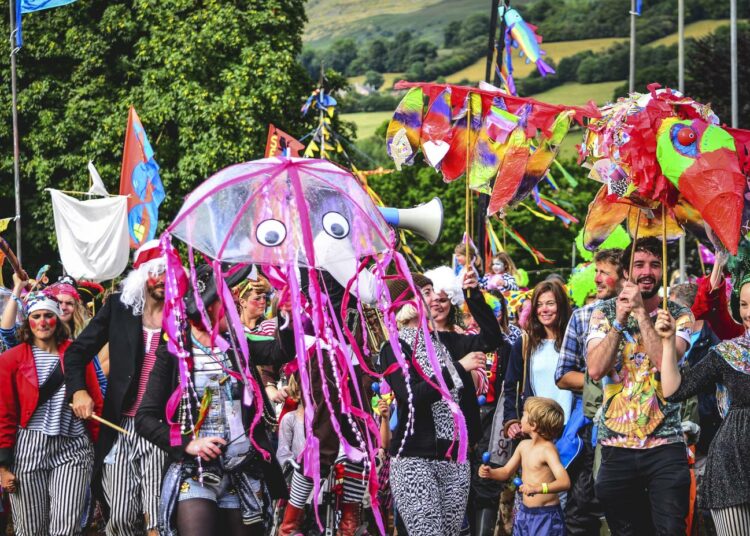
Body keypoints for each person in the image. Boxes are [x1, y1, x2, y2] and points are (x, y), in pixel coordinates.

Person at [135, 263, 294, 535]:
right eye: (227, 299)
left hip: (243, 471)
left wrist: (286, 315)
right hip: (195, 473)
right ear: (209, 307)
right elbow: (145, 419)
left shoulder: (237, 346)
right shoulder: (173, 355)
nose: (233, 304)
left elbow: (280, 351)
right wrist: (188, 444)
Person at [377, 268, 503, 535]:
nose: (435, 298)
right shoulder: (395, 347)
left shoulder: (444, 343)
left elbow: (492, 338)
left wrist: (473, 295)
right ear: (408, 304)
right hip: (414, 458)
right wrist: (458, 368)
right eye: (427, 292)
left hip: (454, 459)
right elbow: (412, 395)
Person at [587, 237, 693, 535]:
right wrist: (620, 320)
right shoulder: (603, 313)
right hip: (616, 447)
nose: (647, 272)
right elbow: (595, 369)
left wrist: (639, 315)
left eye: (655, 265)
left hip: (666, 446)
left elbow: (663, 363)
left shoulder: (679, 314)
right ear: (625, 273)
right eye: (639, 264)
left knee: (670, 530)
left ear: (663, 270)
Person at [65, 240, 167, 536]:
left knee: (157, 517)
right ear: (142, 275)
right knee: (120, 516)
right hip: (119, 422)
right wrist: (78, 391)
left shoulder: (183, 315)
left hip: (161, 424)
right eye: (155, 272)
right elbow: (75, 353)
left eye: (168, 272)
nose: (162, 279)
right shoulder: (118, 308)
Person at [656, 254, 750, 535]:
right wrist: (669, 342)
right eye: (744, 304)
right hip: (732, 468)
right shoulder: (729, 353)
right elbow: (674, 390)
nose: (748, 312)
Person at [0, 293, 103, 535]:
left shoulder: (77, 355)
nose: (43, 322)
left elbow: (95, 401)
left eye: (49, 315)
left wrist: (102, 449)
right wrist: (3, 466)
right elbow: (4, 413)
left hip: (73, 447)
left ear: (58, 320)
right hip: (28, 447)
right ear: (28, 322)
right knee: (30, 529)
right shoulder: (10, 360)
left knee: (66, 529)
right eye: (36, 316)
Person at [554, 248, 624, 535]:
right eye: (596, 271)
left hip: (637, 425)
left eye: (604, 272)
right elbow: (563, 375)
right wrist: (601, 378)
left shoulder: (646, 315)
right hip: (591, 425)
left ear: (624, 276)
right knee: (582, 508)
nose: (596, 278)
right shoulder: (582, 316)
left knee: (624, 507)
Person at [478, 396, 570, 535]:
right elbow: (506, 471)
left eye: (524, 414)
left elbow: (564, 482)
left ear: (533, 425)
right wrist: (490, 473)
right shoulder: (523, 446)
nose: (520, 417)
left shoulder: (548, 450)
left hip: (545, 516)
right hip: (524, 513)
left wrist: (539, 488)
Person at [504, 280, 574, 437]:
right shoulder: (525, 343)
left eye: (550, 303)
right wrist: (512, 420)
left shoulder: (575, 341)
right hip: (536, 429)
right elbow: (510, 386)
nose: (544, 309)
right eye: (539, 304)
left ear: (561, 306)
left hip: (569, 430)